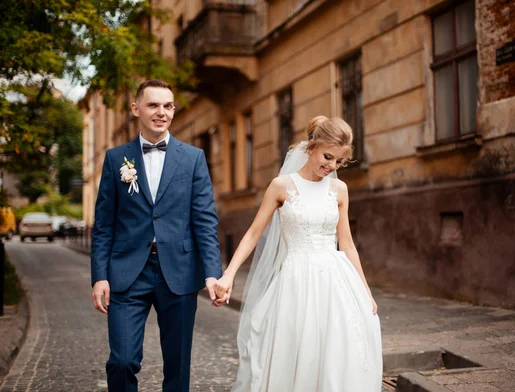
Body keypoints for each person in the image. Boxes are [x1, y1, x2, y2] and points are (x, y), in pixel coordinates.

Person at [214, 115, 383, 391]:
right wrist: (229, 275)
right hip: (295, 282)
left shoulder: (339, 190)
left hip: (335, 281)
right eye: (327, 157)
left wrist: (365, 291)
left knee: (339, 349)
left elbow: (347, 243)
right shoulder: (282, 186)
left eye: (339, 162)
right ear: (311, 147)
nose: (331, 166)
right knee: (298, 350)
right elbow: (254, 233)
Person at [91, 80, 222, 392]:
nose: (161, 112)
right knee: (121, 360)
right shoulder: (115, 159)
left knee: (177, 365)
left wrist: (212, 274)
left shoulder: (193, 158)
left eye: (167, 106)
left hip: (178, 271)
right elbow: (103, 225)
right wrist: (99, 276)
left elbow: (204, 220)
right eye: (153, 105)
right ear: (136, 109)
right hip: (126, 273)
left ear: (173, 110)